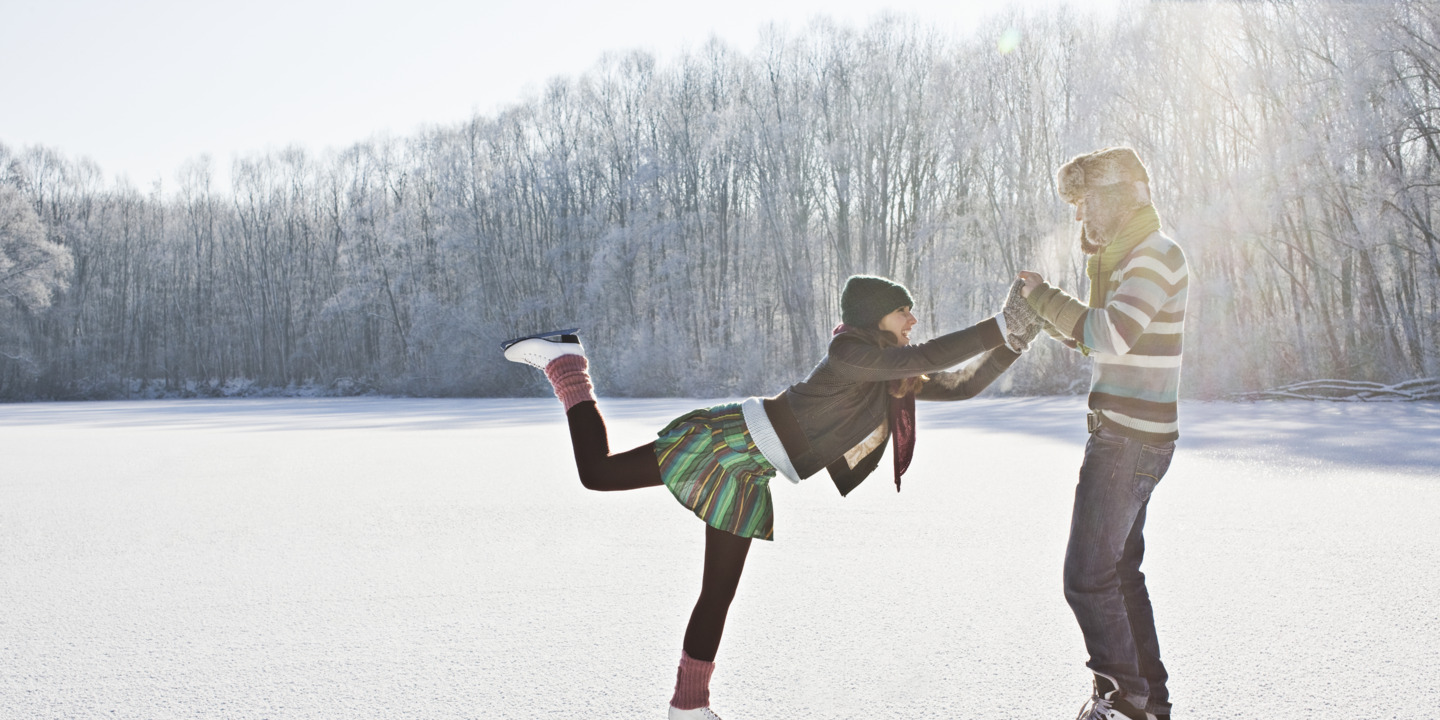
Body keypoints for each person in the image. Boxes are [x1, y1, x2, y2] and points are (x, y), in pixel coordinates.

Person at [502, 274, 1043, 719]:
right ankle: (566, 362)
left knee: (718, 594)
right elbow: (934, 354)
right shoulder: (851, 353)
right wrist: (1003, 322)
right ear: (877, 316)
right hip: (729, 444)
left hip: (750, 472)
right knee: (598, 473)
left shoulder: (886, 375)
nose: (913, 320)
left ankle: (688, 708)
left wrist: (1017, 339)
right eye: (905, 311)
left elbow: (963, 382)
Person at [1017, 147, 1188, 720]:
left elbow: (1111, 331)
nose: (1078, 216)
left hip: (1128, 441)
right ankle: (1147, 701)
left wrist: (1045, 299)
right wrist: (1044, 315)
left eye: (1084, 201)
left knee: (1087, 578)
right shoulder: (1129, 258)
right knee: (1117, 572)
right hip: (1128, 436)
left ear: (1114, 198)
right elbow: (1101, 336)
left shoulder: (1154, 256)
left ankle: (1125, 702)